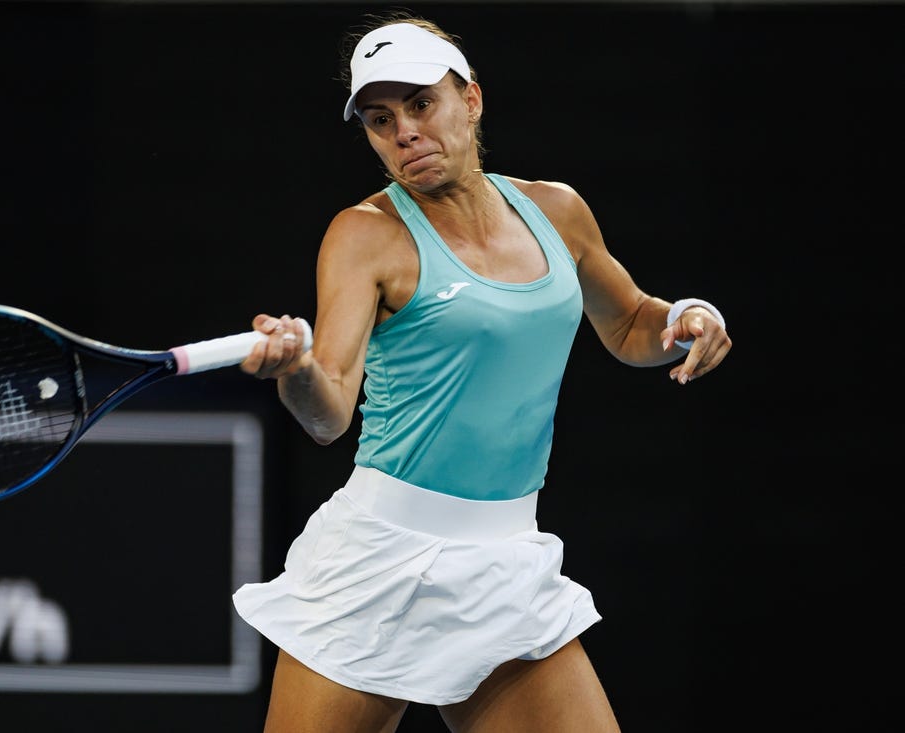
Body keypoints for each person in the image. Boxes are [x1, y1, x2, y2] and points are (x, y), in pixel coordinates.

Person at [234, 10, 732, 732]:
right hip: (376, 560)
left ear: (469, 99)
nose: (403, 130)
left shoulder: (555, 210)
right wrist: (296, 369)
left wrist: (688, 316)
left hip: (502, 564)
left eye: (420, 104)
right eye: (379, 118)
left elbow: (629, 323)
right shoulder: (364, 233)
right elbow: (327, 412)